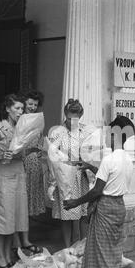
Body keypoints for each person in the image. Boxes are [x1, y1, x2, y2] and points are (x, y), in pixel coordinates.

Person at [63, 115, 135, 268]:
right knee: (111, 250)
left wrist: (75, 203)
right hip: (119, 206)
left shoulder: (109, 160)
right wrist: (90, 166)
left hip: (105, 207)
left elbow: (97, 191)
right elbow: (110, 179)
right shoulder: (127, 158)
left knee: (103, 253)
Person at [0, 94, 31, 268]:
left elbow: (24, 152)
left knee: (15, 216)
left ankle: (9, 257)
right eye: (17, 108)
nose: (20, 112)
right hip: (4, 174)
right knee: (2, 217)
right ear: (7, 109)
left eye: (22, 109)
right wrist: (2, 155)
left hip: (19, 173)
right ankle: (0, 259)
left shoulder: (22, 129)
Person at [47, 99, 92, 248]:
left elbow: (91, 153)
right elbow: (52, 156)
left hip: (81, 176)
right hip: (65, 177)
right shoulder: (57, 132)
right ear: (65, 115)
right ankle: (67, 248)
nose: (72, 122)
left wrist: (87, 162)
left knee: (83, 214)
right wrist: (53, 182)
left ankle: (81, 246)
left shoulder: (85, 132)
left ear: (80, 116)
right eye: (69, 118)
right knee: (67, 214)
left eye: (76, 119)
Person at [12, 90, 45, 255]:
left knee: (27, 203)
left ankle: (25, 239)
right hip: (20, 163)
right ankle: (16, 239)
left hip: (34, 165)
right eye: (29, 104)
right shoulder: (18, 120)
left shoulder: (39, 120)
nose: (32, 107)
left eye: (35, 104)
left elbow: (40, 143)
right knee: (18, 202)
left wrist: (38, 151)